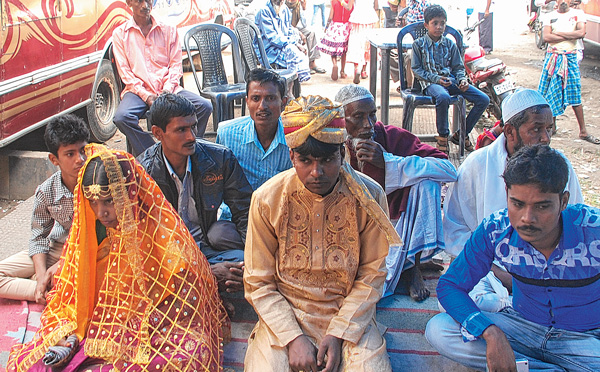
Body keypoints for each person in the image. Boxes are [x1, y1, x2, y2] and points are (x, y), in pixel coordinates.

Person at [8, 144, 228, 372]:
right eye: (93, 202)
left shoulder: (159, 231)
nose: (100, 212)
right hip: (109, 321)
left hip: (151, 323)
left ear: (129, 194)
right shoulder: (91, 233)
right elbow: (75, 299)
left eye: (109, 201)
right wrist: (70, 333)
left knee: (187, 357)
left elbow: (177, 297)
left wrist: (136, 322)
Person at [243, 96, 400, 372]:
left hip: (349, 315)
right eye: (305, 160)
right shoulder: (267, 199)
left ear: (343, 152)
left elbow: (372, 274)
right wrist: (293, 337)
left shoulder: (369, 197)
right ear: (291, 156)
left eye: (327, 160)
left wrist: (339, 333)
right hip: (285, 315)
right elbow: (258, 281)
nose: (316, 172)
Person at [427, 144, 600, 372]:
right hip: (521, 327)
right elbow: (450, 286)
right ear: (507, 195)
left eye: (542, 206)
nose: (527, 218)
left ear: (564, 201)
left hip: (584, 338)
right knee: (440, 329)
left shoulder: (593, 231)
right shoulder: (496, 230)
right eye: (517, 204)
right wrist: (490, 332)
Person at [443, 88, 583, 313]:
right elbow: (455, 229)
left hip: (547, 273)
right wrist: (494, 269)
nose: (545, 138)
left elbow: (575, 224)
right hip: (489, 271)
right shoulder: (477, 165)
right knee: (455, 303)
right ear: (510, 132)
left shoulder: (560, 166)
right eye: (536, 129)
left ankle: (516, 322)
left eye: (549, 129)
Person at [336, 85, 457, 301]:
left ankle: (413, 267)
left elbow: (448, 170)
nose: (368, 125)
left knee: (427, 183)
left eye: (372, 115)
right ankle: (403, 262)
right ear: (341, 119)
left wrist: (390, 162)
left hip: (394, 224)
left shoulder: (390, 136)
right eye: (358, 117)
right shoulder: (332, 142)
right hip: (347, 225)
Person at [138, 93, 253, 294]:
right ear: (158, 133)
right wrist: (205, 271)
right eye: (181, 130)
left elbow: (245, 211)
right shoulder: (143, 173)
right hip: (168, 258)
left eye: (193, 126)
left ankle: (206, 284)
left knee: (248, 269)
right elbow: (145, 240)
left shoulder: (219, 158)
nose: (191, 136)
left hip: (209, 249)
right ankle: (205, 284)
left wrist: (252, 262)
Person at [0, 115, 88, 304]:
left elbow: (105, 235)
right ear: (54, 159)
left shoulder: (98, 182)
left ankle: (53, 288)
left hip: (88, 251)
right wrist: (41, 276)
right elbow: (39, 237)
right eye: (70, 154)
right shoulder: (46, 191)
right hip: (56, 248)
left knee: (89, 281)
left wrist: (63, 264)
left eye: (83, 150)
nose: (80, 159)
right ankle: (44, 291)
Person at [111, 0, 212, 156]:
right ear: (129, 2)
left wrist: (167, 90)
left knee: (204, 106)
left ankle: (189, 150)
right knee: (122, 117)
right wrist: (146, 96)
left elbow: (176, 66)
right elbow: (126, 73)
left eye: (148, 0)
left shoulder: (168, 30)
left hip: (167, 89)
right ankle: (155, 154)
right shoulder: (120, 34)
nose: (145, 5)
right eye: (139, 1)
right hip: (138, 91)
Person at [412, 5, 490, 154]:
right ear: (426, 25)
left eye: (442, 23)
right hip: (430, 83)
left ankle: (462, 133)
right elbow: (417, 70)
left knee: (483, 99)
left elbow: (458, 67)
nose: (439, 27)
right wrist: (437, 79)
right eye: (435, 23)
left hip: (451, 81)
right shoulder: (419, 45)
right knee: (442, 96)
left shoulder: (450, 44)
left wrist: (462, 80)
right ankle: (442, 136)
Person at [217, 68, 292, 191]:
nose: (262, 106)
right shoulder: (227, 134)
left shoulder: (294, 138)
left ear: (283, 102)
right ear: (247, 101)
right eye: (256, 99)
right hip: (236, 209)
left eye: (270, 98)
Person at [537, 0, 599, 144]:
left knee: (575, 93)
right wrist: (571, 34)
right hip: (553, 57)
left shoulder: (578, 14)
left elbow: (581, 33)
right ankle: (552, 127)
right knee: (550, 92)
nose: (564, 1)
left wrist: (557, 34)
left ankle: (583, 131)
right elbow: (546, 37)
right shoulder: (549, 15)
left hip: (570, 57)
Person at [255, 0, 319, 84]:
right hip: (269, 50)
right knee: (293, 54)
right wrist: (292, 44)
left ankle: (292, 88)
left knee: (298, 51)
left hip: (282, 45)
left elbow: (289, 29)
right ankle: (287, 90)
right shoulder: (264, 11)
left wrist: (295, 43)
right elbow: (273, 38)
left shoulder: (284, 9)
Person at [316, 0, 354, 81]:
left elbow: (330, 16)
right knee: (344, 50)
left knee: (333, 49)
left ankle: (335, 64)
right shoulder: (350, 2)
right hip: (346, 26)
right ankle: (342, 71)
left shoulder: (334, 1)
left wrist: (326, 27)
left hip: (335, 26)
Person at [346, 0, 379, 84]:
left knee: (357, 43)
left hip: (357, 18)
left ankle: (356, 68)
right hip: (370, 18)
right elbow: (376, 7)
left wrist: (342, 2)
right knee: (367, 44)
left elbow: (349, 7)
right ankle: (364, 70)